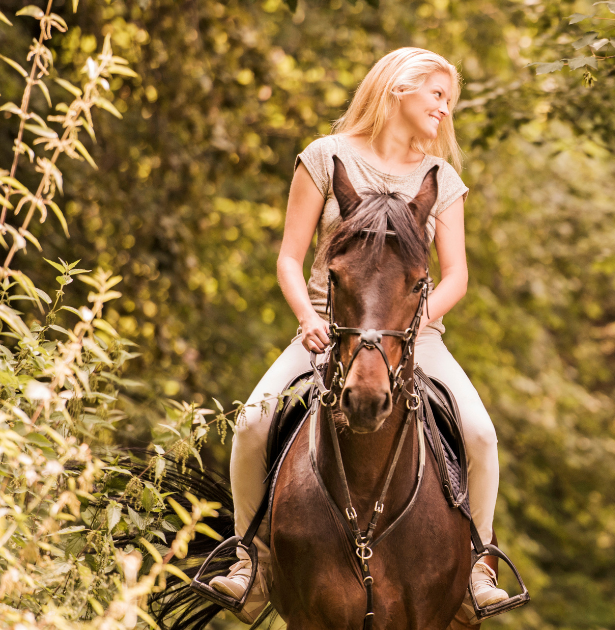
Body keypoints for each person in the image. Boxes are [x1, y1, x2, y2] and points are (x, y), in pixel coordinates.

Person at [209, 47, 507, 623]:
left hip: (414, 335)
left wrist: (416, 325)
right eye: (437, 95)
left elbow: (458, 275)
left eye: (451, 100)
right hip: (328, 329)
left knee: (480, 434)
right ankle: (252, 561)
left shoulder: (442, 179)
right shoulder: (324, 158)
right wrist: (309, 318)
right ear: (397, 88)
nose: (446, 109)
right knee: (250, 423)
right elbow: (290, 260)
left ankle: (477, 565)